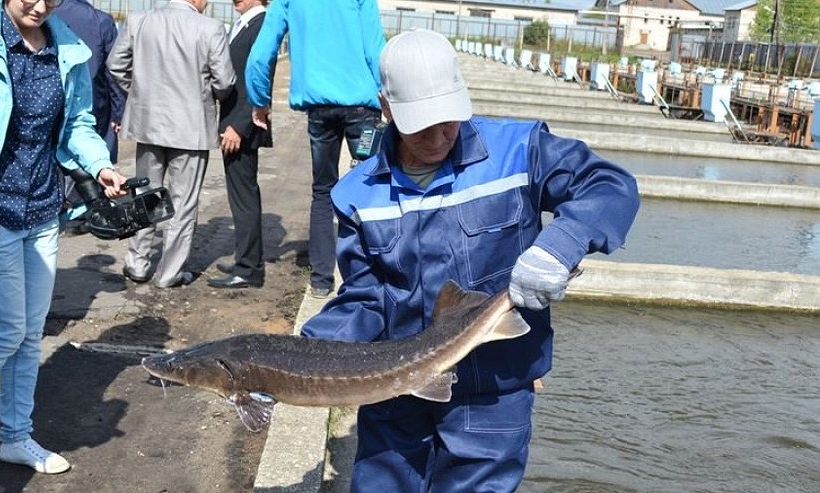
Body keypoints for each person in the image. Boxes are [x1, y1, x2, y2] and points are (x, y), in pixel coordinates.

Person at [299, 30, 640, 493]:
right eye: (422, 125)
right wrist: (307, 352)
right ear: (386, 108)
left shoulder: (519, 151)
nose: (439, 137)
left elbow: (608, 185)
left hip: (492, 390)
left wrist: (561, 244)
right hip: (394, 390)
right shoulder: (357, 193)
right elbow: (365, 298)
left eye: (450, 120)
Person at [0, 0, 127, 484]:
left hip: (44, 211)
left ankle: (15, 436)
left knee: (28, 332)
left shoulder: (66, 47)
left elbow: (78, 127)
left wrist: (100, 165)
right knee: (3, 330)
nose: (39, 6)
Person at [244, 0, 385, 298]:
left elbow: (260, 55)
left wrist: (259, 100)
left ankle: (321, 279)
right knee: (372, 189)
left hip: (319, 111)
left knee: (323, 190)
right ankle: (370, 272)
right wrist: (387, 96)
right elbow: (376, 49)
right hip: (362, 109)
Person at [108, 0, 235, 289]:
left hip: (148, 123)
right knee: (183, 202)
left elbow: (115, 65)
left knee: (144, 194)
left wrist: (140, 93)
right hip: (191, 127)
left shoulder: (139, 20)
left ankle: (138, 264)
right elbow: (225, 81)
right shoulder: (211, 28)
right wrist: (203, 94)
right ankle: (169, 273)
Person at [209, 0, 274, 289]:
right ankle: (244, 259)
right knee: (241, 195)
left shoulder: (261, 25)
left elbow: (260, 80)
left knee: (244, 197)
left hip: (242, 126)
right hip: (235, 122)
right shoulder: (246, 24)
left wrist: (239, 126)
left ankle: (249, 269)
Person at [54, 0, 126, 162]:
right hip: (92, 109)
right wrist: (118, 113)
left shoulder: (41, 15)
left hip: (49, 109)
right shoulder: (101, 20)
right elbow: (112, 72)